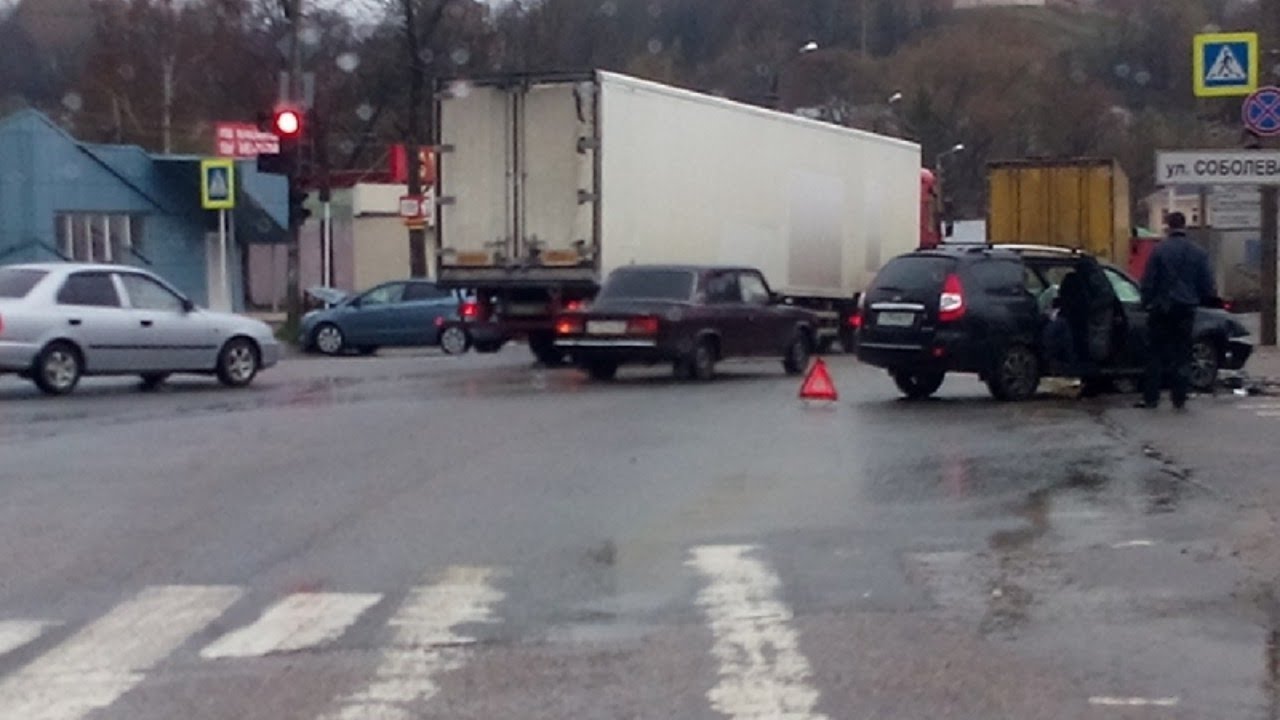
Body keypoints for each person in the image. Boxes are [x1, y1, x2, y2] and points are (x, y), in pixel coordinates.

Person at [1137, 212, 1216, 410]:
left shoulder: (1159, 251)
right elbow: (1207, 285)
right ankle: (1179, 397)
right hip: (1186, 309)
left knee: (1155, 353)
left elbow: (1148, 281)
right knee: (1182, 352)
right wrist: (1199, 300)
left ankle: (1151, 398)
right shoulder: (1199, 253)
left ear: (1168, 226)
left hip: (1161, 308)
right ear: (1185, 226)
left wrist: (1146, 302)